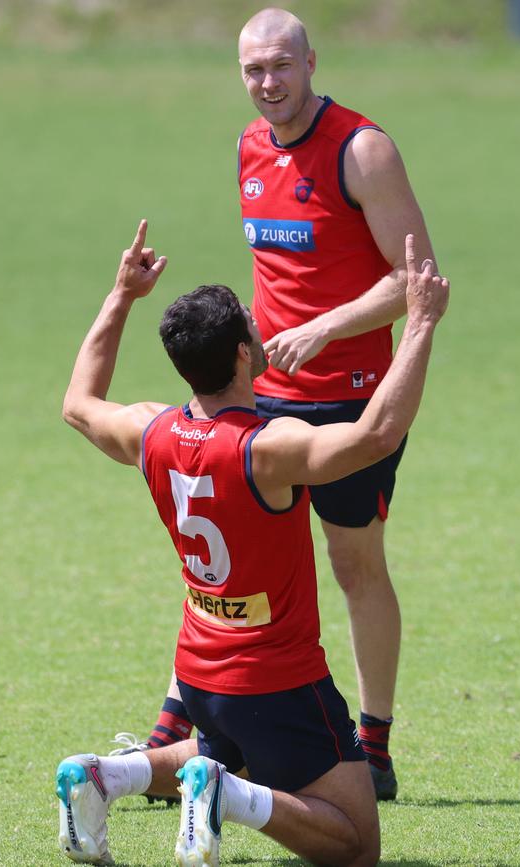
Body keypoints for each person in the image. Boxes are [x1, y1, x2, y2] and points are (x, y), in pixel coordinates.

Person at [55, 220, 448, 866]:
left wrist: (122, 296)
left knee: (226, 740)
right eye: (249, 320)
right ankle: (225, 798)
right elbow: (376, 434)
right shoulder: (266, 450)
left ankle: (102, 774)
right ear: (242, 352)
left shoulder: (151, 431)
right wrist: (423, 323)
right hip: (277, 677)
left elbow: (79, 401)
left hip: (200, 674)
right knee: (355, 842)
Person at [137, 7, 438, 801]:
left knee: (352, 562)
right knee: (226, 557)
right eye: (253, 71)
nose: (267, 83)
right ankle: (182, 717)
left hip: (348, 401)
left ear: (310, 61)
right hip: (260, 397)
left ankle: (372, 742)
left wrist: (325, 329)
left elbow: (417, 277)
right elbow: (276, 272)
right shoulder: (246, 146)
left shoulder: (363, 150)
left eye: (280, 66)